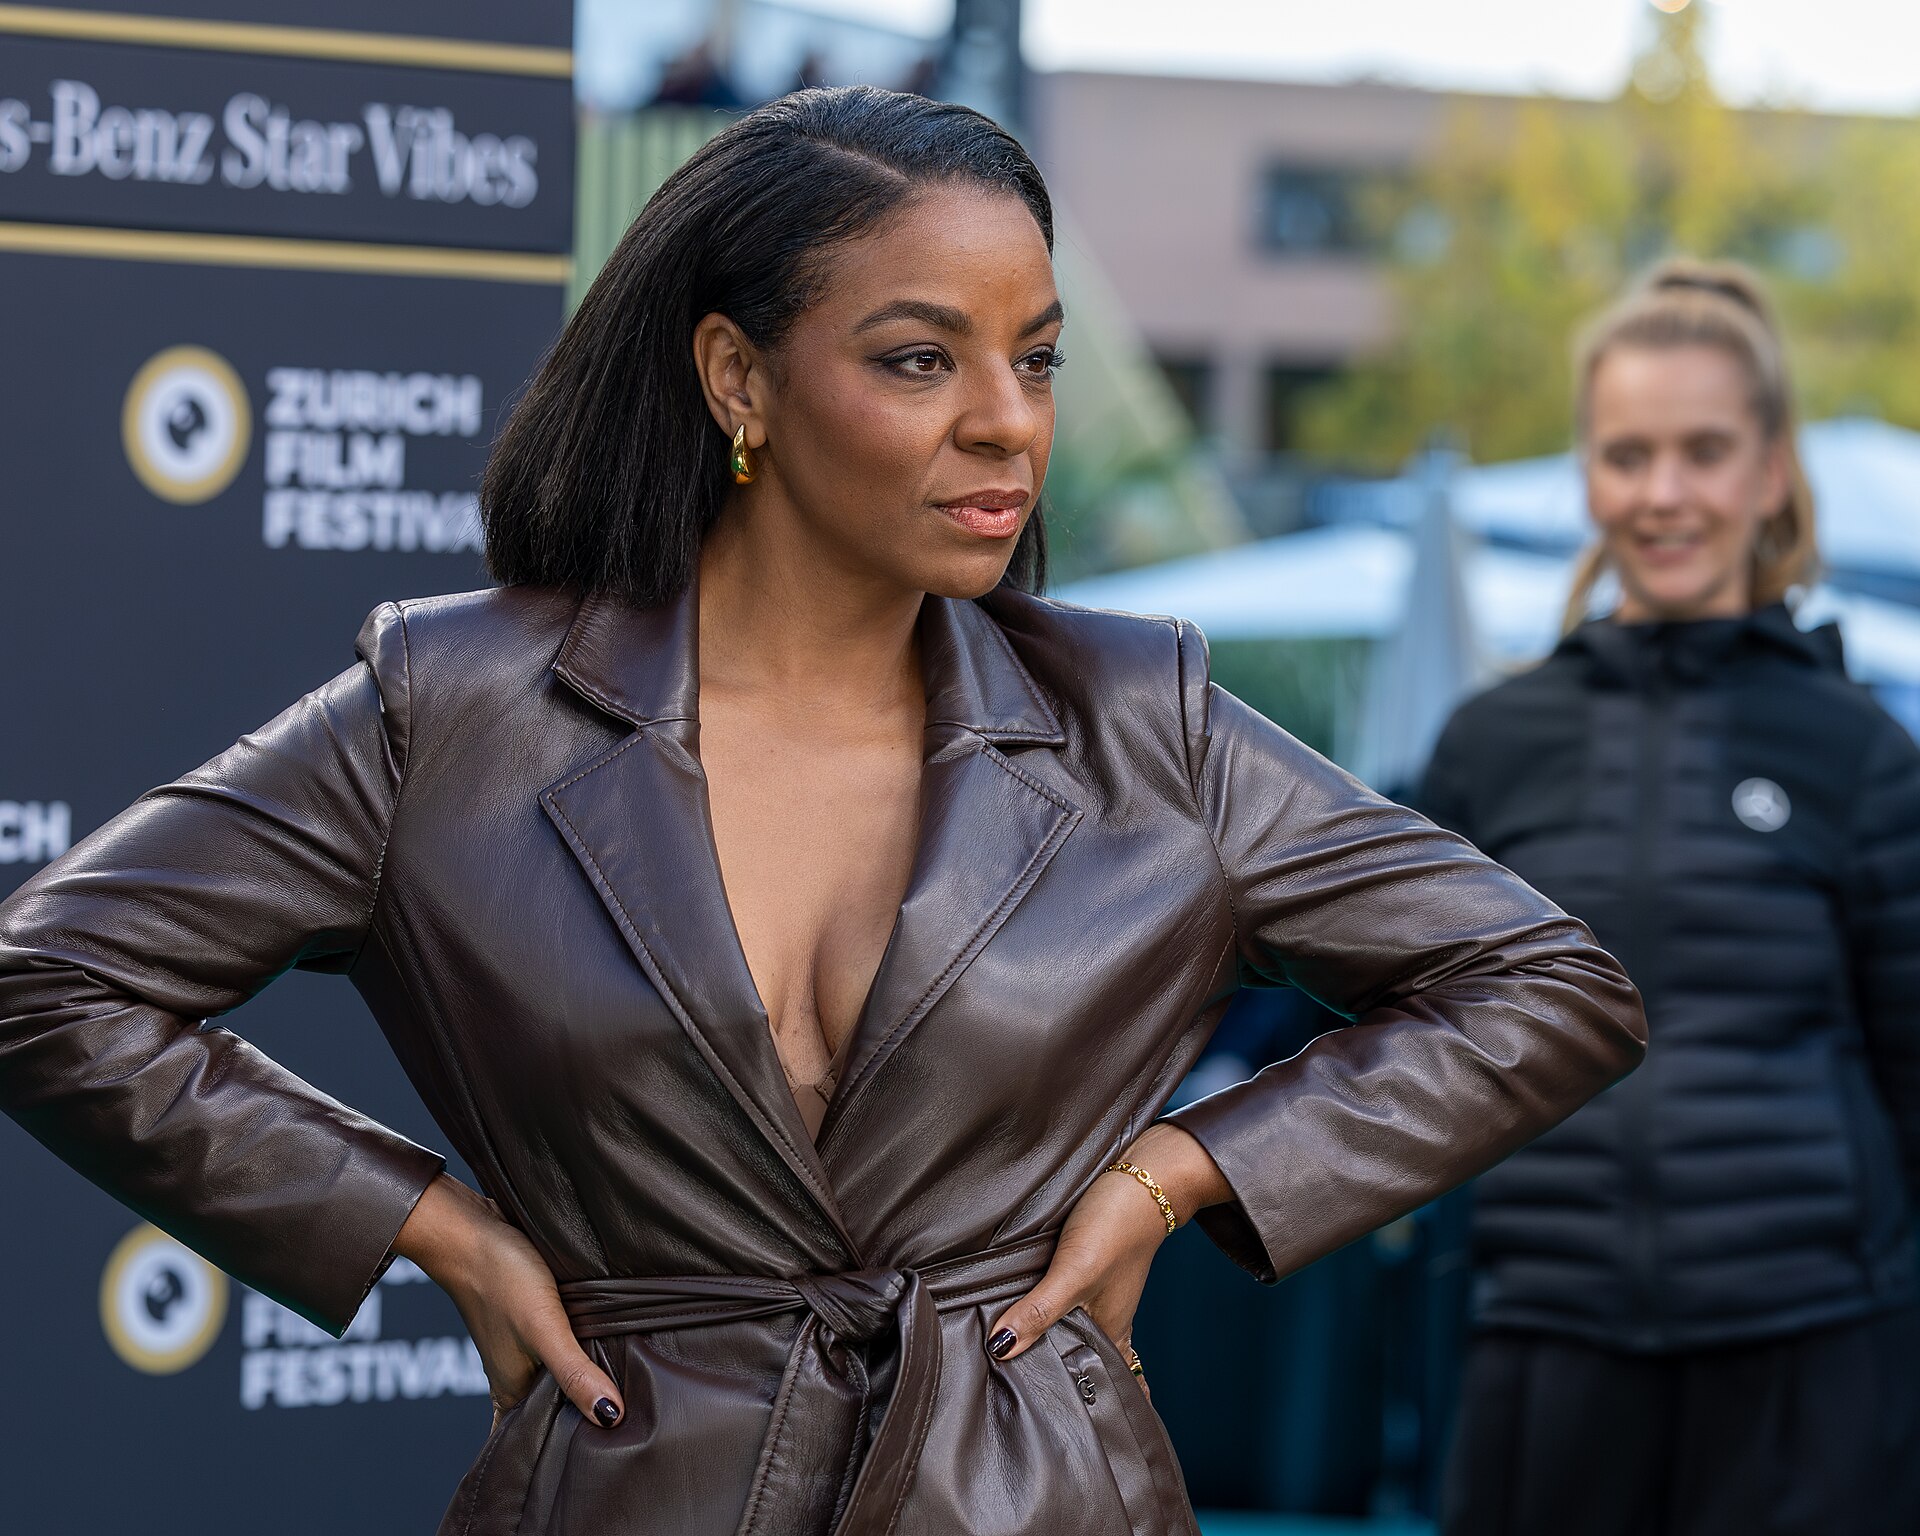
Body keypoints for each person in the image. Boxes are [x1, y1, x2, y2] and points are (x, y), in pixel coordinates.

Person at [0, 88, 1644, 1535]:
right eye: (921, 358)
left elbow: (1548, 984)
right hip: (635, 1488)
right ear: (739, 376)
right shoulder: (459, 709)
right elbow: (50, 981)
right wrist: (429, 1225)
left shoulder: (1147, 725)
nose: (1008, 417)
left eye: (1036, 357)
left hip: (1032, 1490)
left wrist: (1185, 1169)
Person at [1426, 259, 1920, 1536]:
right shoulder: (1491, 745)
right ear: (1588, 477)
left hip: (1812, 1360)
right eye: (1627, 455)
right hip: (1547, 1342)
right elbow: (1417, 1054)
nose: (1664, 494)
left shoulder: (1860, 753)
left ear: (1770, 472)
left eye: (1704, 452)